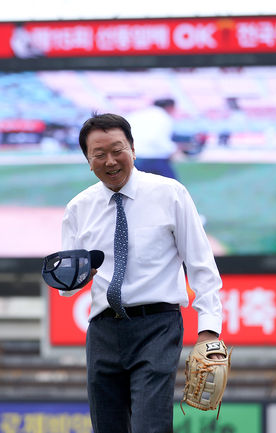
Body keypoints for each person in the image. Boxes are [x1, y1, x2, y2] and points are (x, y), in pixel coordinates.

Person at [59, 113, 223, 433]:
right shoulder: (78, 208)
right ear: (87, 161)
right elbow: (67, 288)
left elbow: (201, 265)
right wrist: (79, 274)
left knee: (151, 426)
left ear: (133, 149)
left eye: (117, 149)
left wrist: (209, 330)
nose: (110, 161)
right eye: (99, 154)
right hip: (103, 330)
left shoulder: (170, 193)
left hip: (157, 326)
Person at [126, 98, 180, 180]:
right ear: (170, 107)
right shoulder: (164, 117)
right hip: (153, 158)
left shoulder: (135, 115)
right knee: (172, 187)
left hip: (132, 156)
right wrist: (172, 149)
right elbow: (156, 138)